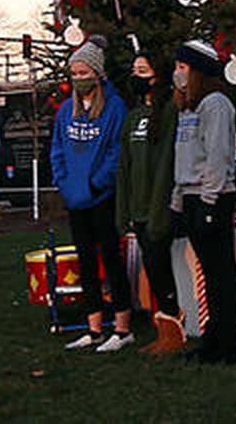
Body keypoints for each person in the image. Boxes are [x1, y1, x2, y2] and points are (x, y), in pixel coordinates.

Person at [50, 33, 133, 353]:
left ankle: (123, 328)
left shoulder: (114, 107)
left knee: (111, 259)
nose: (79, 79)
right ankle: (94, 327)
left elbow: (116, 152)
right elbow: (57, 148)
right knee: (86, 262)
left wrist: (96, 183)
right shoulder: (65, 111)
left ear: (98, 74)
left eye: (84, 73)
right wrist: (65, 182)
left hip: (101, 196)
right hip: (75, 197)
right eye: (75, 74)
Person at [171, 39, 236, 364]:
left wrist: (210, 201)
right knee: (210, 274)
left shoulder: (215, 104)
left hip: (211, 196)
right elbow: (183, 158)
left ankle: (229, 343)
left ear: (198, 70)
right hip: (190, 195)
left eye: (182, 67)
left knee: (222, 272)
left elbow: (217, 155)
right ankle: (213, 338)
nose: (177, 73)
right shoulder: (188, 107)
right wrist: (177, 201)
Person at [115, 48, 184, 355]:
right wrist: (124, 211)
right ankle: (167, 330)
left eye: (142, 71)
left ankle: (174, 328)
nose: (135, 77)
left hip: (159, 208)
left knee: (160, 265)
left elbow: (167, 163)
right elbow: (125, 167)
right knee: (153, 268)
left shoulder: (170, 111)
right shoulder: (132, 118)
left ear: (158, 76)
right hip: (138, 209)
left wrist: (160, 210)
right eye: (134, 71)